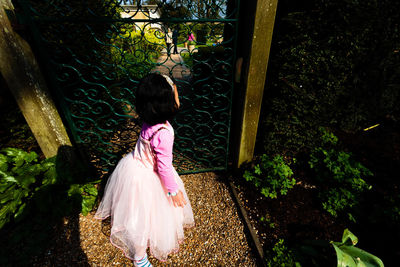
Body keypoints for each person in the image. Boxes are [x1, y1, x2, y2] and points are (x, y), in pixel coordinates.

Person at [95, 73, 194, 267]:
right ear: (167, 104)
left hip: (133, 165)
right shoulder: (164, 133)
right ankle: (139, 256)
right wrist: (173, 191)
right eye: (174, 94)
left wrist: (169, 83)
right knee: (144, 218)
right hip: (148, 176)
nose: (177, 98)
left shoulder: (150, 118)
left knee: (133, 212)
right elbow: (164, 168)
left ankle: (139, 248)